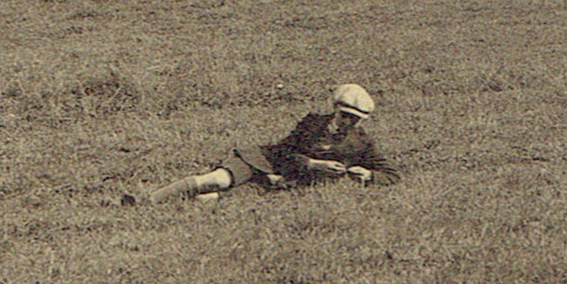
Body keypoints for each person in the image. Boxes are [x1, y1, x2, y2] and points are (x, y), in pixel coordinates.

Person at [128, 83, 399, 204]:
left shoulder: (361, 143)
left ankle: (182, 205)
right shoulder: (312, 123)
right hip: (264, 160)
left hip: (286, 181)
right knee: (218, 180)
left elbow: (392, 174)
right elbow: (282, 152)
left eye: (355, 119)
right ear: (335, 109)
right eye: (345, 116)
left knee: (212, 199)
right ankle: (147, 201)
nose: (348, 123)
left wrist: (368, 175)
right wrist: (313, 163)